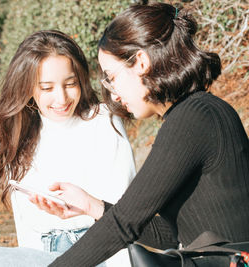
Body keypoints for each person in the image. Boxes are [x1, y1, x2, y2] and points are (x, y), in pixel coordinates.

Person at [37, 3, 248, 266]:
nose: (113, 92)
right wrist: (93, 206)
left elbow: (125, 223)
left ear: (140, 63)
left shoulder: (194, 117)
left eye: (112, 76)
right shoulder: (198, 112)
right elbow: (172, 235)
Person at [0, 30, 136, 267]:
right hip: (41, 256)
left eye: (70, 84)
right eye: (47, 88)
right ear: (28, 88)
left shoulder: (103, 120)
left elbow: (124, 215)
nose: (61, 98)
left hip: (95, 255)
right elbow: (27, 232)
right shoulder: (20, 133)